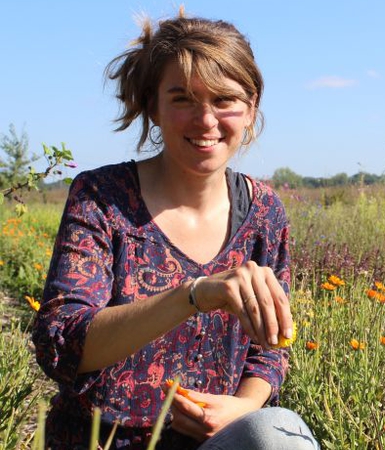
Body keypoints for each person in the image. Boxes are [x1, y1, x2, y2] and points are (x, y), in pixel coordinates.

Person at [32, 9, 319, 450]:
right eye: (183, 98)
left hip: (214, 442)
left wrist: (242, 407)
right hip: (101, 440)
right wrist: (194, 295)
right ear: (153, 106)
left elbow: (270, 348)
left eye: (224, 99)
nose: (206, 120)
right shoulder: (102, 199)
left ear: (251, 108)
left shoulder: (264, 213)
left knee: (280, 431)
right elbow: (62, 345)